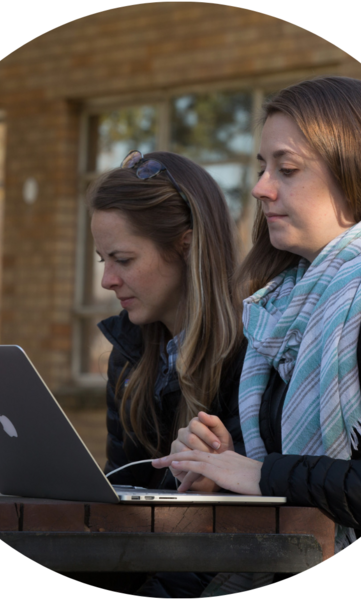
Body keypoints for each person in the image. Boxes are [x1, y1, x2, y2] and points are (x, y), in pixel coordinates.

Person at [152, 77, 361, 553]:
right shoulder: (286, 306)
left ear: (356, 173)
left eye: (287, 168)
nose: (261, 188)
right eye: (263, 167)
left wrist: (264, 475)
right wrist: (224, 466)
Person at [88, 150, 245, 596]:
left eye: (123, 259)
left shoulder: (254, 355)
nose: (108, 280)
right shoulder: (130, 355)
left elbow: (243, 536)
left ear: (187, 245)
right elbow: (120, 496)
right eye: (103, 260)